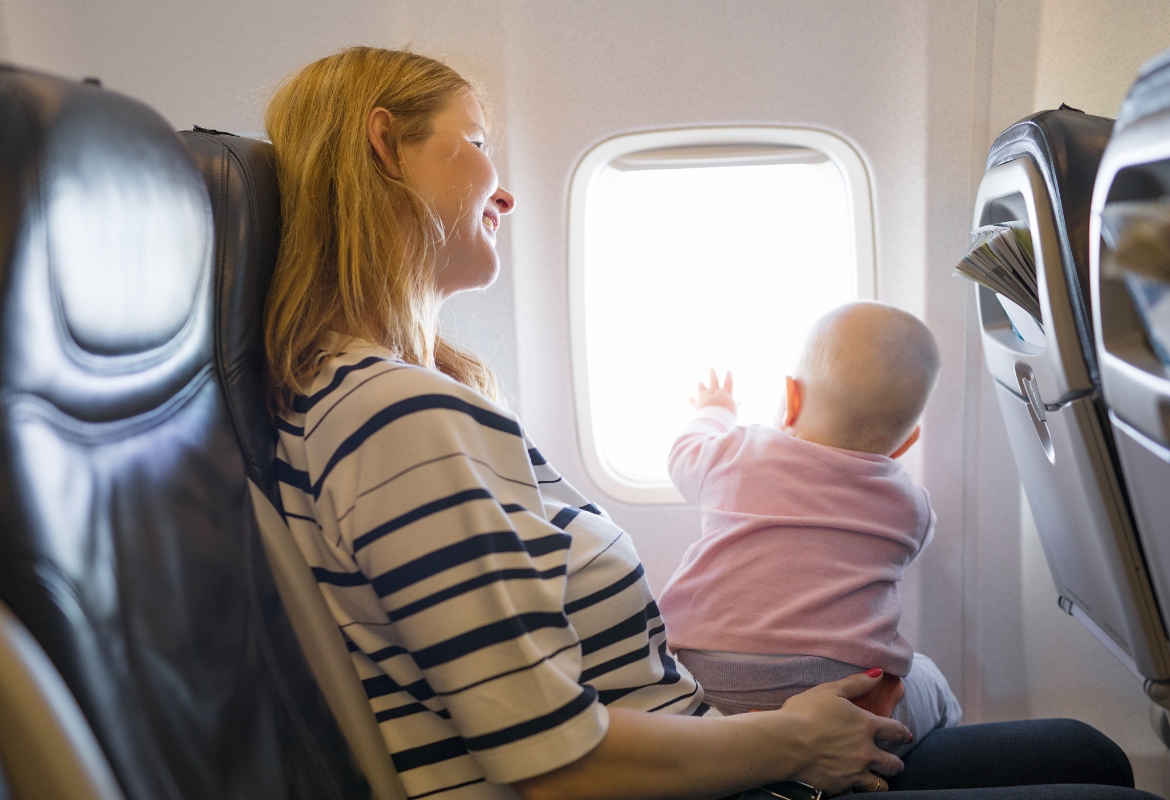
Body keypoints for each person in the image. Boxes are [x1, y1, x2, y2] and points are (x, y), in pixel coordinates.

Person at [263, 46, 1153, 800]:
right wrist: (795, 741)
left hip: (707, 746)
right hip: (701, 781)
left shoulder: (396, 400)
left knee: (1089, 754)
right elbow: (551, 765)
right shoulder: (396, 416)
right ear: (386, 146)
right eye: (478, 144)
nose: (504, 192)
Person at [659, 304, 960, 756]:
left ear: (791, 398)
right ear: (907, 442)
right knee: (930, 679)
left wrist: (715, 409)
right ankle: (943, 754)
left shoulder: (738, 452)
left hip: (704, 688)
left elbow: (683, 453)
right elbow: (912, 546)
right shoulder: (911, 506)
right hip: (848, 701)